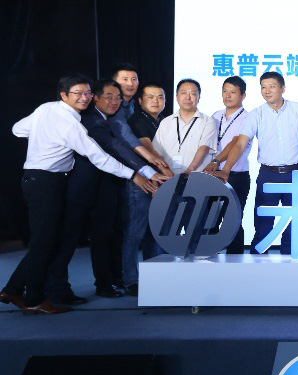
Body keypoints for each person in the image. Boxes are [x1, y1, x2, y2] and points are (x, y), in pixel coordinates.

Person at [1, 75, 152, 315]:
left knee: (47, 241)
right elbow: (99, 158)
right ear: (64, 95)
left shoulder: (46, 109)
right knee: (44, 243)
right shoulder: (71, 125)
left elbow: (17, 129)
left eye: (87, 93)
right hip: (46, 182)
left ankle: (13, 289)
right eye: (78, 93)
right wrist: (133, 175)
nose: (85, 97)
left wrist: (44, 136)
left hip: (38, 180)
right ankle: (33, 299)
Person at [46, 80, 165, 302]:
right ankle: (55, 289)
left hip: (107, 185)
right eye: (109, 97)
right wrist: (145, 168)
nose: (114, 101)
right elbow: (114, 145)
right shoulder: (92, 120)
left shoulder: (113, 118)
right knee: (70, 239)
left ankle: (107, 282)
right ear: (96, 98)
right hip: (82, 187)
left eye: (117, 98)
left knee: (107, 235)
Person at [218, 72, 298, 256]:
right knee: (263, 222)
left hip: (295, 173)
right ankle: (258, 261)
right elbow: (240, 144)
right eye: (263, 87)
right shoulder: (256, 114)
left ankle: (290, 261)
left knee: (293, 222)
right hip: (268, 174)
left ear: (283, 88)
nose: (267, 91)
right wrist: (226, 169)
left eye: (272, 86)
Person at [121, 82, 171, 295]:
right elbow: (149, 150)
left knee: (156, 231)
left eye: (160, 97)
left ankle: (153, 277)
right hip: (143, 183)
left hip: (161, 183)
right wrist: (171, 175)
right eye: (150, 97)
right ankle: (130, 280)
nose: (156, 101)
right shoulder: (137, 120)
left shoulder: (163, 121)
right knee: (136, 232)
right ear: (140, 101)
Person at [202, 76, 254, 254]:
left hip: (235, 175)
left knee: (232, 220)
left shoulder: (248, 118)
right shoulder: (216, 116)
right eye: (225, 91)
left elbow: (235, 143)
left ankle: (235, 260)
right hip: (212, 173)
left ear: (243, 95)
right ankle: (209, 256)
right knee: (210, 218)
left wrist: (216, 161)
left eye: (233, 92)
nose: (228, 95)